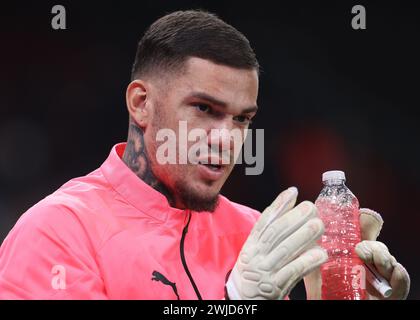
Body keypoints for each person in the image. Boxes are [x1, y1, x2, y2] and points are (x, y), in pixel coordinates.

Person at [0, 10, 410, 300]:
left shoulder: (255, 234)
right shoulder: (56, 233)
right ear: (141, 103)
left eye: (241, 119)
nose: (226, 139)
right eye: (204, 109)